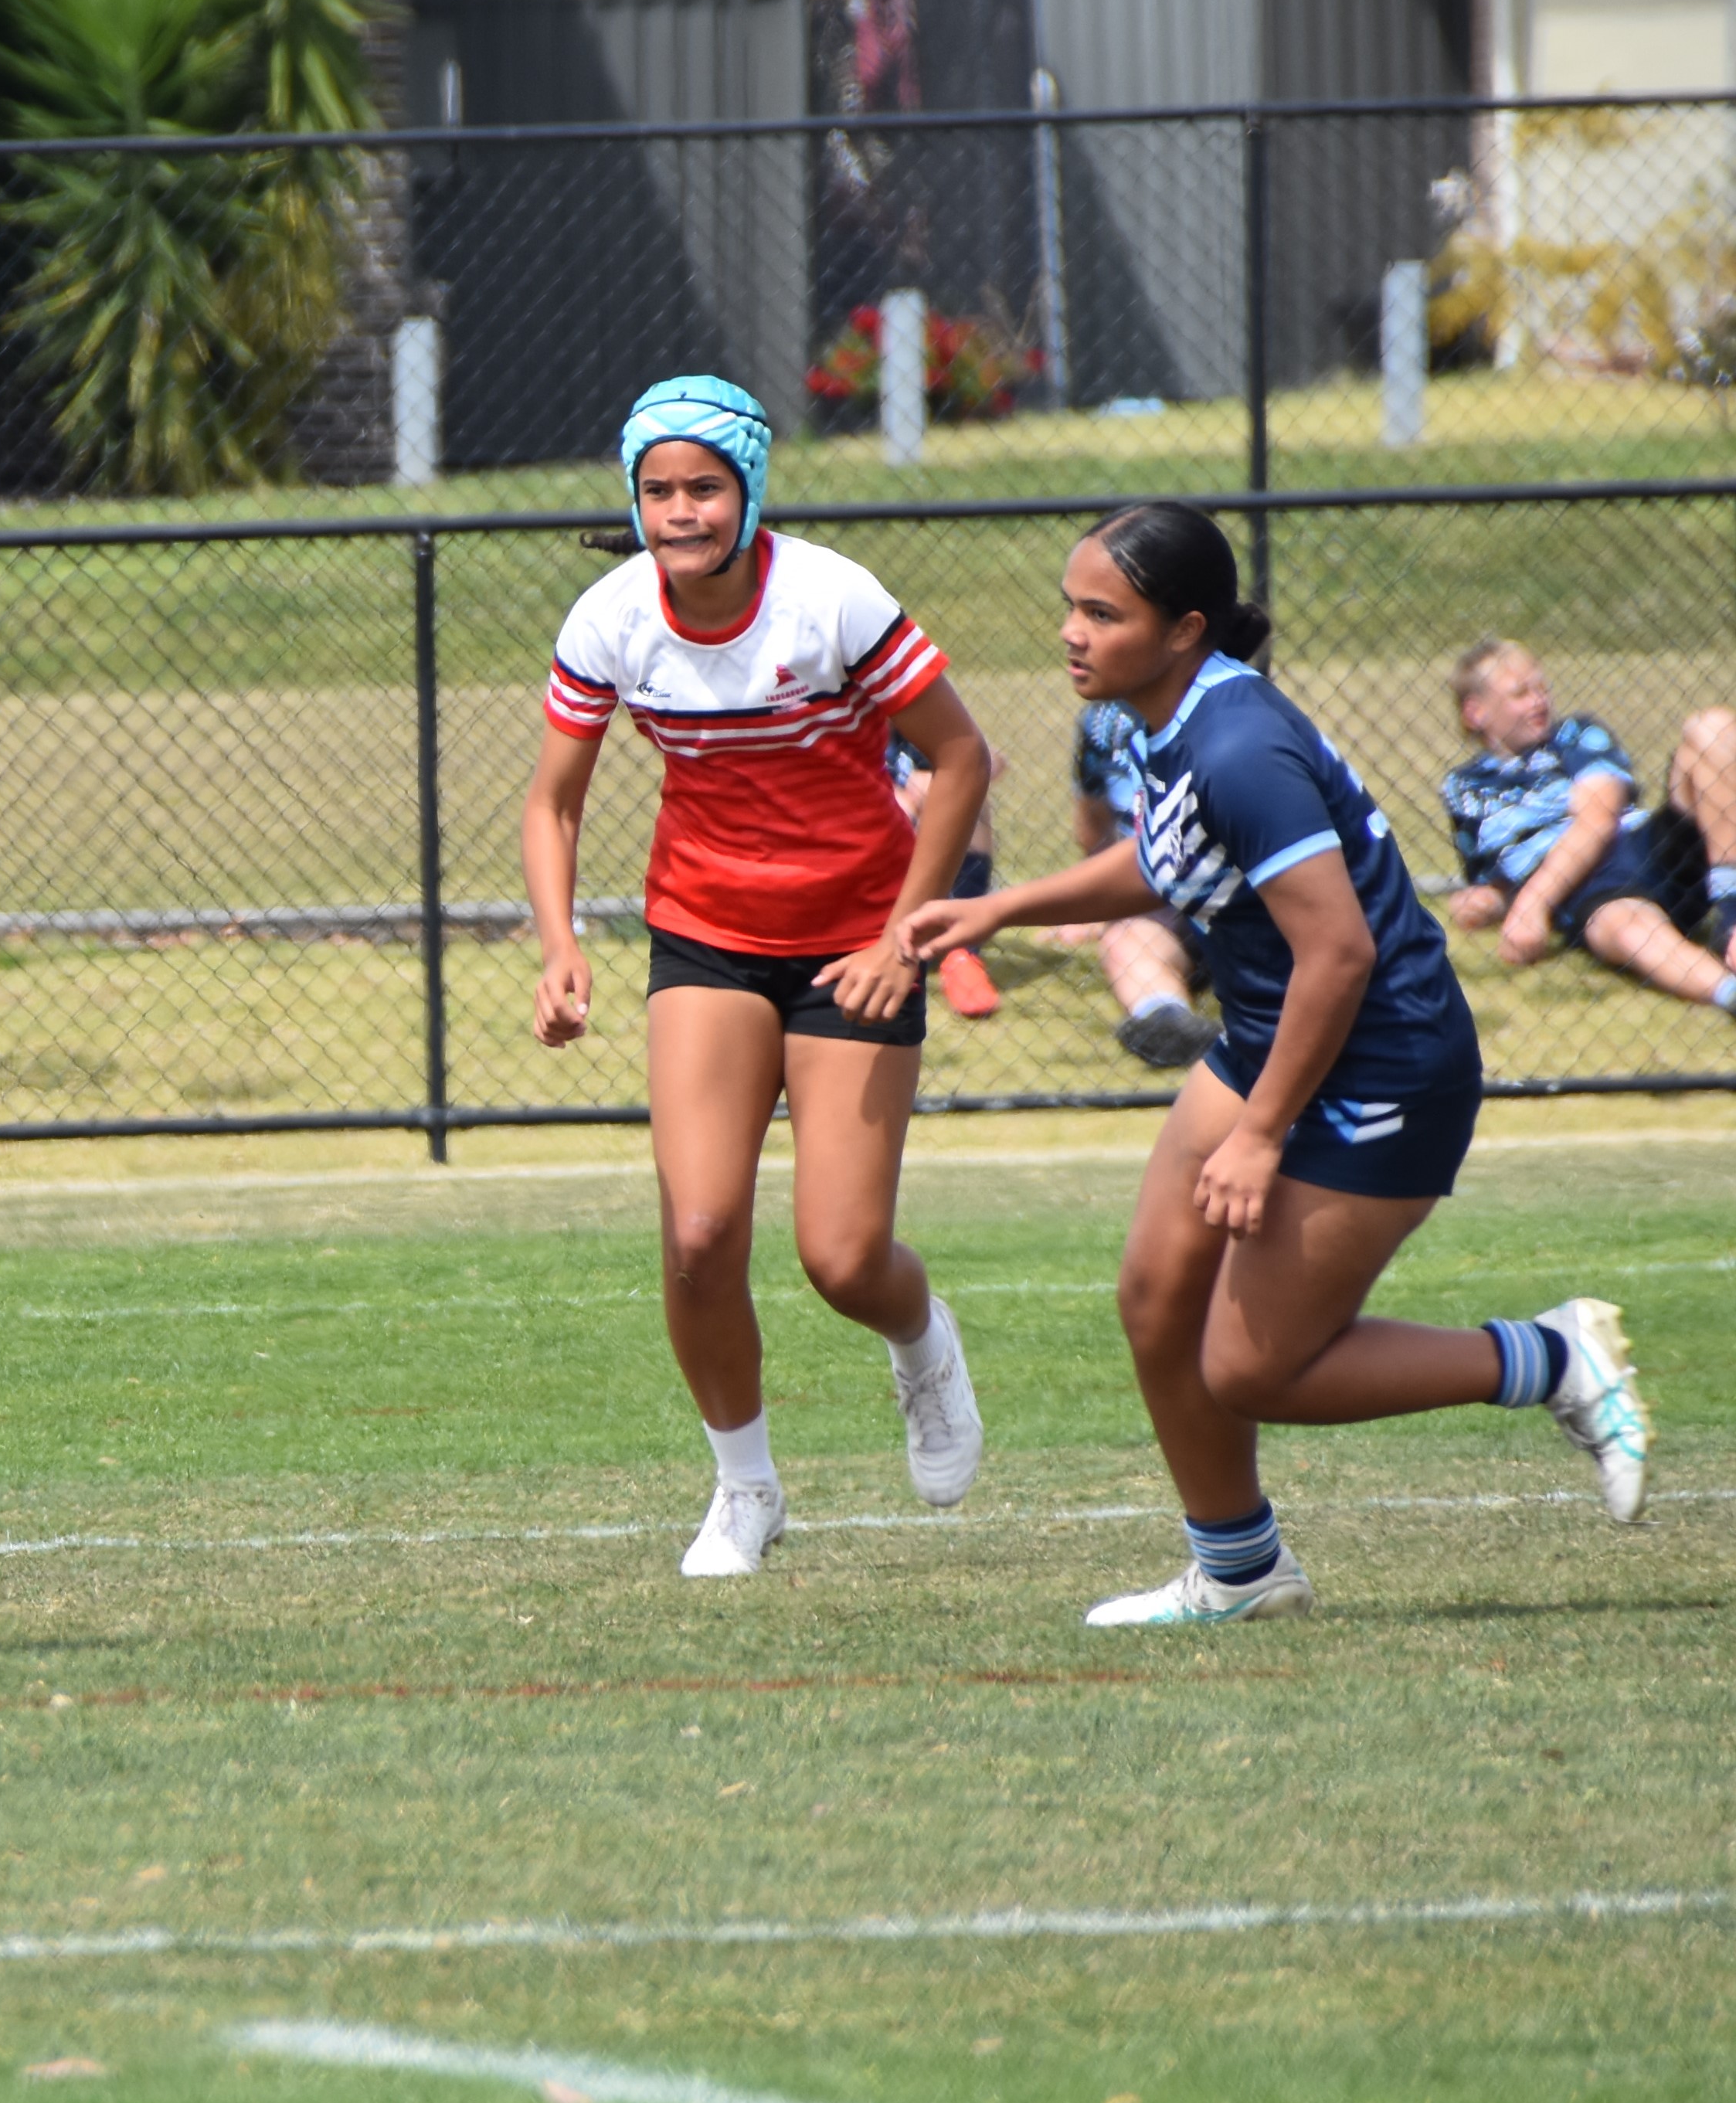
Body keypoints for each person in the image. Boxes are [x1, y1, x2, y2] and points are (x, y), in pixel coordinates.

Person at [905, 505, 1649, 1627]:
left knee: (1252, 1367)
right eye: (1070, 606)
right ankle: (1244, 1574)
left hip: (1385, 1062)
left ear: (1183, 628)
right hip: (1273, 1034)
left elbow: (1341, 952)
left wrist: (1257, 1136)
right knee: (1157, 1301)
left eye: (1101, 614)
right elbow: (1164, 862)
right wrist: (1000, 907)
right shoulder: (1165, 715)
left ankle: (1547, 1357)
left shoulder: (1237, 743)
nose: (1071, 632)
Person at [524, 375, 993, 1581]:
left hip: (854, 945)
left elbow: (960, 755)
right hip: (705, 938)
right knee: (697, 1231)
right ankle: (745, 1490)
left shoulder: (831, 598)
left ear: (751, 491)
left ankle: (922, 1342)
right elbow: (553, 801)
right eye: (658, 490)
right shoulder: (613, 616)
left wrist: (905, 936)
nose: (680, 513)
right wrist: (562, 946)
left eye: (704, 488)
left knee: (841, 1258)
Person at [1439, 639, 1736, 1015]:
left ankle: (1732, 917)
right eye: (1521, 693)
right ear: (1475, 712)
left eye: (1542, 688)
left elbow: (1598, 818)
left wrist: (1531, 907)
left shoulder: (1576, 734)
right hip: (1591, 893)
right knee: (1626, 931)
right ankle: (1729, 992)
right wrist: (1488, 902)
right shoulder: (1463, 787)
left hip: (1641, 845)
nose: (1539, 701)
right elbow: (1499, 876)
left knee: (1712, 728)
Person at [1058, 697, 1221, 1068]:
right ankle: (1168, 1023)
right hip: (1165, 901)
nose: (1073, 636)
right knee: (1124, 941)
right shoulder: (1104, 721)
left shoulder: (1227, 708)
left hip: (1250, 901)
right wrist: (1096, 906)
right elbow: (1093, 821)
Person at [888, 732, 1004, 1017]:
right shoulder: (830, 711)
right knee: (905, 805)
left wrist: (931, 784)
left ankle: (962, 955)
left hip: (911, 833)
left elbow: (991, 760)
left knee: (966, 795)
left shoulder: (910, 717)